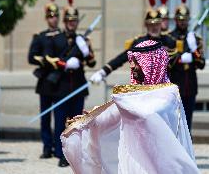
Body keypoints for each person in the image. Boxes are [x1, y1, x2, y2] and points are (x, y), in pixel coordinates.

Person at [61, 40, 199, 174]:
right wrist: (89, 120)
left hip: (157, 163)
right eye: (131, 60)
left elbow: (147, 113)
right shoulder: (132, 97)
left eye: (136, 61)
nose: (131, 66)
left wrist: (123, 102)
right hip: (131, 159)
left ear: (150, 64)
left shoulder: (168, 93)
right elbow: (113, 116)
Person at [43, 0, 96, 167]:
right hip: (61, 87)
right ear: (65, 22)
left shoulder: (82, 39)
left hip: (78, 87)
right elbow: (49, 60)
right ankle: (60, 154)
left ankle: (75, 154)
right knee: (60, 123)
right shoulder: (56, 38)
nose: (72, 23)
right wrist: (65, 64)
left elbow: (92, 62)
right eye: (69, 20)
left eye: (75, 21)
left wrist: (87, 50)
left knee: (77, 123)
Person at [90, 0, 176, 84]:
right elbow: (122, 58)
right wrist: (103, 72)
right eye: (151, 25)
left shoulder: (169, 41)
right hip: (144, 86)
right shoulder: (139, 42)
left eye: (156, 24)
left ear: (160, 24)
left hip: (164, 86)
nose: (154, 28)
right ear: (146, 25)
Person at [28, 0, 61, 159]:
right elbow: (31, 57)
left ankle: (58, 147)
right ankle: (47, 147)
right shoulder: (40, 37)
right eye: (50, 16)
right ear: (46, 18)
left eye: (55, 16)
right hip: (45, 83)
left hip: (60, 81)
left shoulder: (64, 36)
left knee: (60, 117)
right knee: (45, 117)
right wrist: (46, 61)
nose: (53, 19)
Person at [168, 0, 205, 132]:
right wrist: (181, 57)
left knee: (187, 123)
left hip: (190, 87)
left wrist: (194, 49)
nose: (182, 21)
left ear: (189, 20)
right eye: (180, 19)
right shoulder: (169, 38)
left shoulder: (194, 38)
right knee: (174, 123)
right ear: (176, 20)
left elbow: (200, 63)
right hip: (175, 86)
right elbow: (169, 61)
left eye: (185, 19)